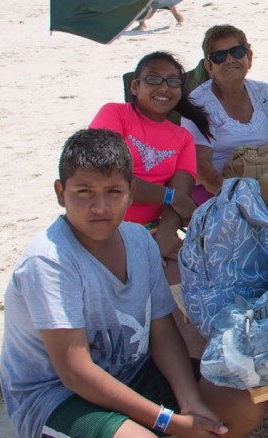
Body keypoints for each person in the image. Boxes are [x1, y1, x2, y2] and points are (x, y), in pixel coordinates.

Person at [0, 129, 266, 438]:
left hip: (131, 372)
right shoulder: (49, 262)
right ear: (61, 193)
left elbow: (162, 330)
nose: (99, 207)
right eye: (84, 192)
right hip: (54, 398)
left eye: (113, 192)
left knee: (241, 396)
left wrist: (188, 404)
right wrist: (170, 423)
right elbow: (75, 370)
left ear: (131, 193)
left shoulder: (139, 240)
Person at [90, 52, 211, 286]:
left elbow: (182, 195)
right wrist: (169, 196)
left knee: (181, 295)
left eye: (173, 81)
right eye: (154, 79)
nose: (164, 88)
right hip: (104, 226)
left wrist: (165, 235)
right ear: (135, 86)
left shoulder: (182, 138)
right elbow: (108, 179)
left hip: (153, 231)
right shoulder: (115, 114)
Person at [183, 25, 268, 204]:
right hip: (219, 191)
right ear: (209, 66)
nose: (230, 60)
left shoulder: (263, 93)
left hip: (266, 184)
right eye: (219, 56)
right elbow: (202, 168)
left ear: (249, 56)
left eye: (237, 52)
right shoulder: (198, 103)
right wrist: (245, 199)